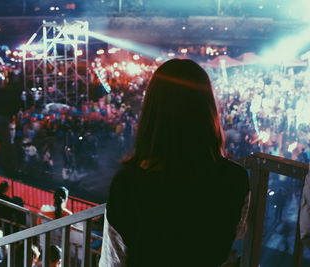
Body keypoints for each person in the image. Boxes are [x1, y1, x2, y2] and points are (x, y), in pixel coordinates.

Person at [99, 59, 249, 267]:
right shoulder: (236, 179)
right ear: (207, 111)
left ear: (152, 111)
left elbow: (113, 261)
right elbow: (236, 234)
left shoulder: (128, 184)